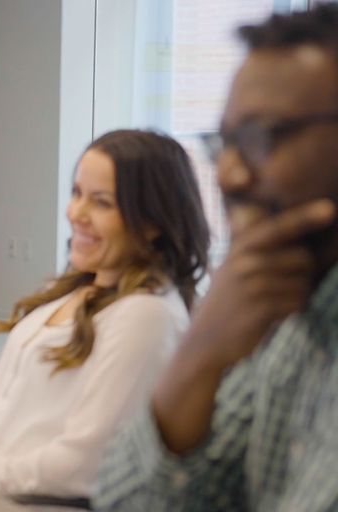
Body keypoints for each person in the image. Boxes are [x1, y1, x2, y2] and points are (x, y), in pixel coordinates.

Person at [94, 6, 338, 512]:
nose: (227, 173)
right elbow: (127, 503)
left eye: (261, 137)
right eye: (225, 142)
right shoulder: (279, 312)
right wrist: (200, 351)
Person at [0, 129, 210, 499]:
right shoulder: (77, 292)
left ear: (152, 222)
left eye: (101, 203)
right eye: (77, 193)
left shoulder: (147, 316)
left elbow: (84, 465)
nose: (76, 213)